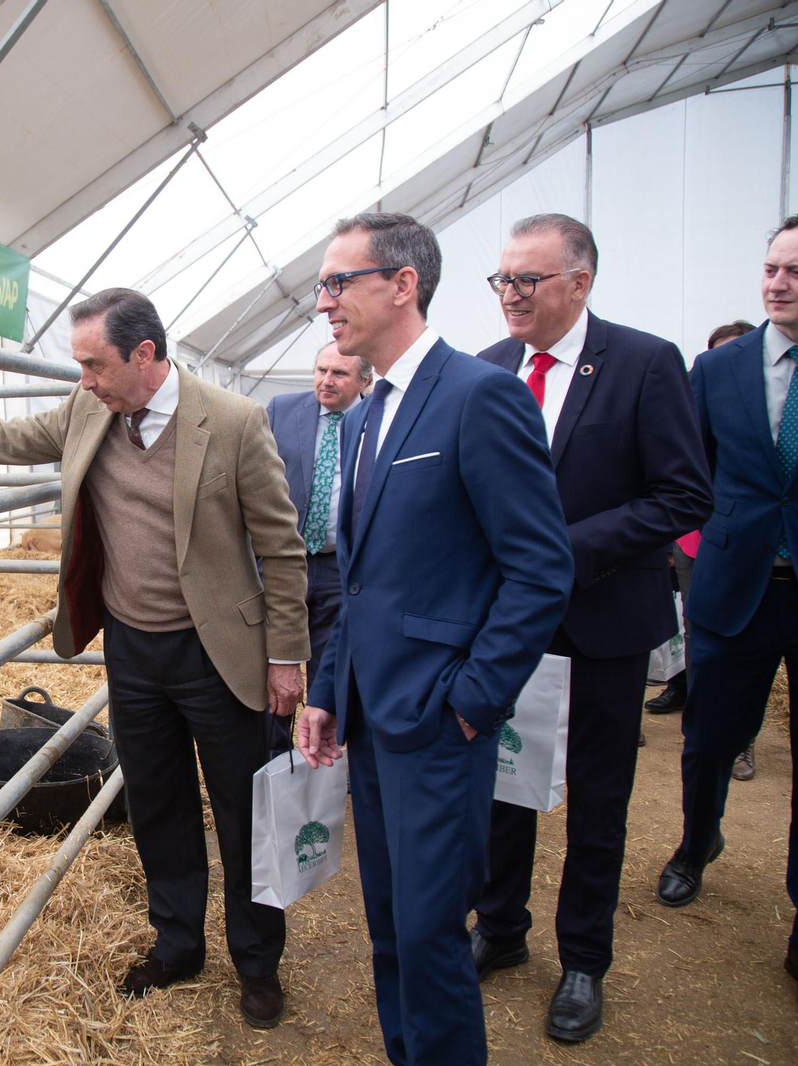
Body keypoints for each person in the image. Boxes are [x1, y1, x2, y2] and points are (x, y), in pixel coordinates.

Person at [0, 287, 310, 1030]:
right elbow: (8, 437)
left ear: (144, 355)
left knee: (244, 809)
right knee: (157, 801)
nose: (82, 378)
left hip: (219, 651)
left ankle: (257, 961)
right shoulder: (91, 410)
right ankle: (178, 944)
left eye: (94, 363)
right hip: (134, 649)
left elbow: (281, 550)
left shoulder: (237, 423)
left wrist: (286, 658)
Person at [296, 213, 572, 1066]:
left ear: (402, 283)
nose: (323, 302)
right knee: (389, 929)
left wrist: (473, 701)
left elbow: (540, 568)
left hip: (438, 723)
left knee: (429, 936)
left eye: (339, 281)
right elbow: (362, 581)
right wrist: (324, 690)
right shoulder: (372, 408)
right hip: (374, 716)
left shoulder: (476, 395)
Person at [470, 214, 713, 1043]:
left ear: (579, 282)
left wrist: (559, 553)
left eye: (526, 280)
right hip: (505, 630)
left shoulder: (646, 364)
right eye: (501, 279)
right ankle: (501, 929)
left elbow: (684, 496)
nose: (509, 294)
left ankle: (583, 959)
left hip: (603, 621)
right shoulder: (487, 369)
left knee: (596, 799)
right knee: (503, 784)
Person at [656, 211, 798, 1023]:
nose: (776, 284)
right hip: (734, 593)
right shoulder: (716, 371)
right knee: (708, 742)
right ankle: (696, 842)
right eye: (770, 269)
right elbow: (693, 477)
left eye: (796, 271)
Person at [648, 320, 759, 781]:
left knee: (747, 643)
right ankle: (686, 692)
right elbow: (684, 469)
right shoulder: (704, 393)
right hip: (701, 538)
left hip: (755, 542)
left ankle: (742, 741)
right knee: (698, 630)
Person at [263, 341, 369, 755]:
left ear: (364, 380)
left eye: (339, 373)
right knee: (275, 663)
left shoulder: (377, 419)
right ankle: (273, 758)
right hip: (283, 562)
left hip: (339, 567)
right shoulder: (280, 411)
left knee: (332, 665)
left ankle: (325, 754)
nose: (326, 380)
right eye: (321, 369)